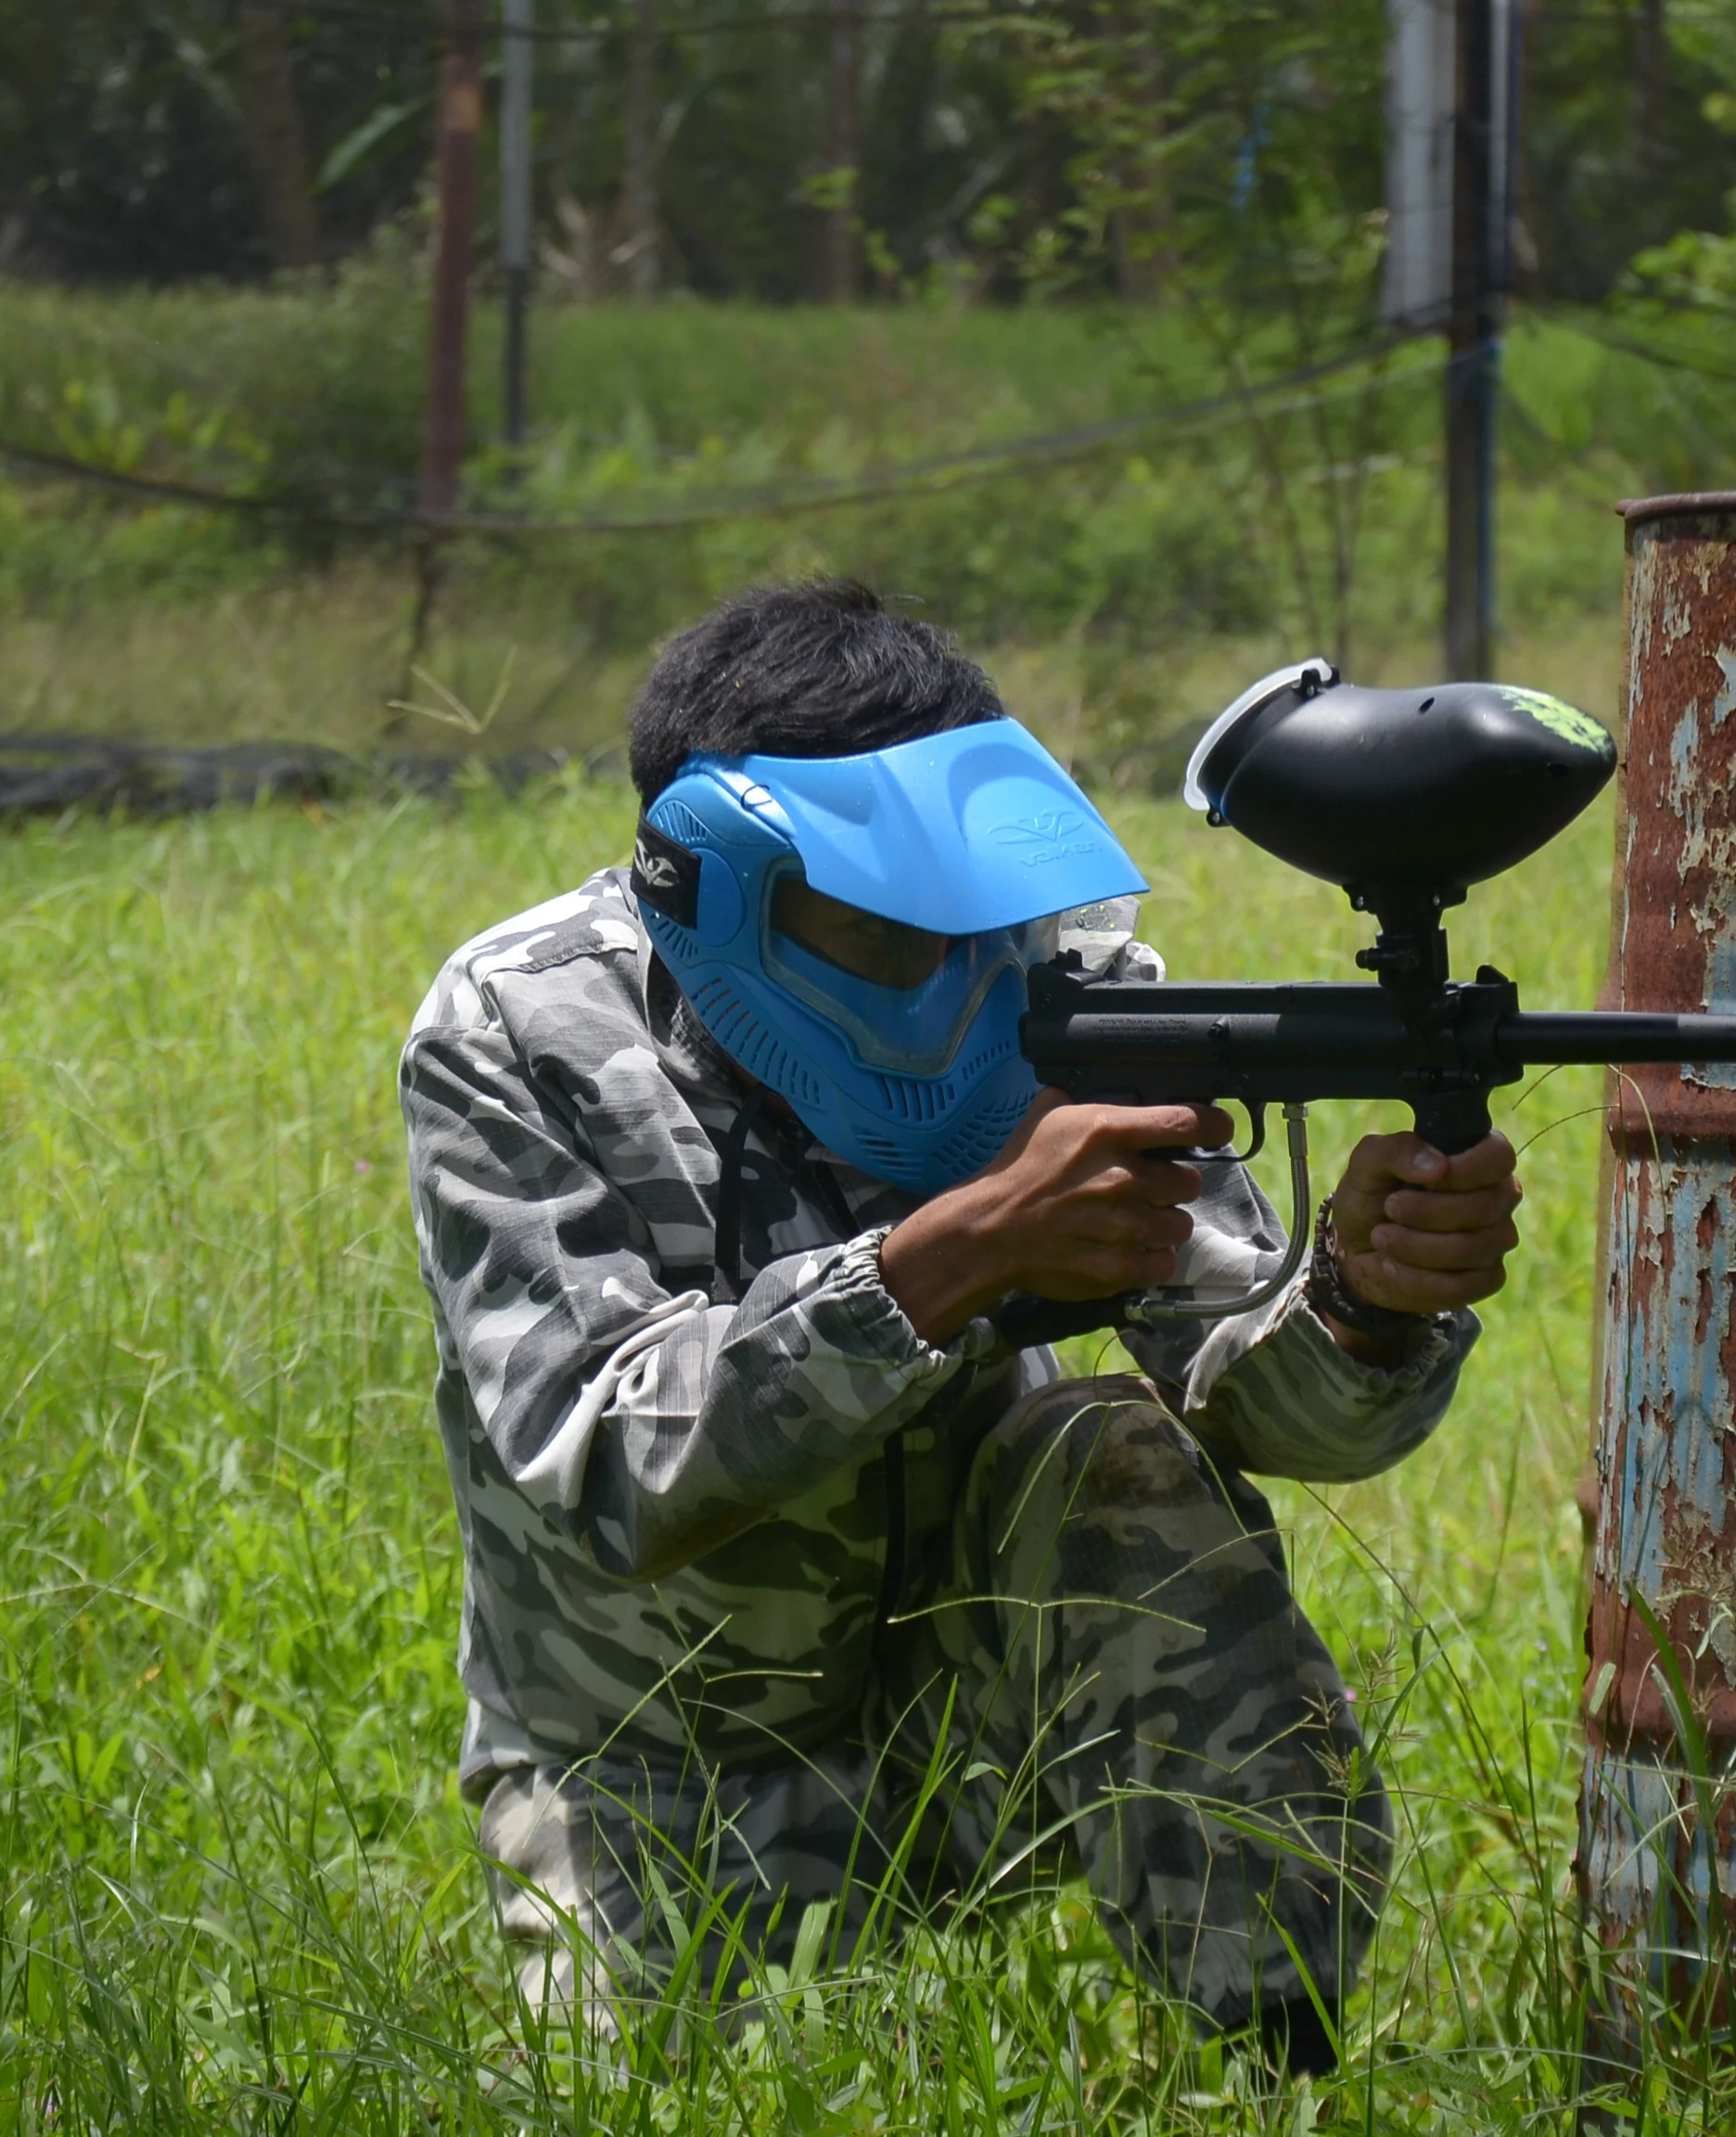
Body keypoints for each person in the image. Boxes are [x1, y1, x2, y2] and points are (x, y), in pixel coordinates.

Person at [398, 582, 1521, 2075]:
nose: (962, 985)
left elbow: (1269, 1408)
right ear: (721, 890)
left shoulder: (1055, 998)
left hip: (977, 1723)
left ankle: (1281, 2064)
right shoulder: (523, 1034)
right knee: (631, 2101)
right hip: (652, 1777)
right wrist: (956, 1252)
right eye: (888, 935)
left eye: (984, 927)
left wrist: (1364, 1304)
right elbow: (605, 1462)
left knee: (1112, 1453)